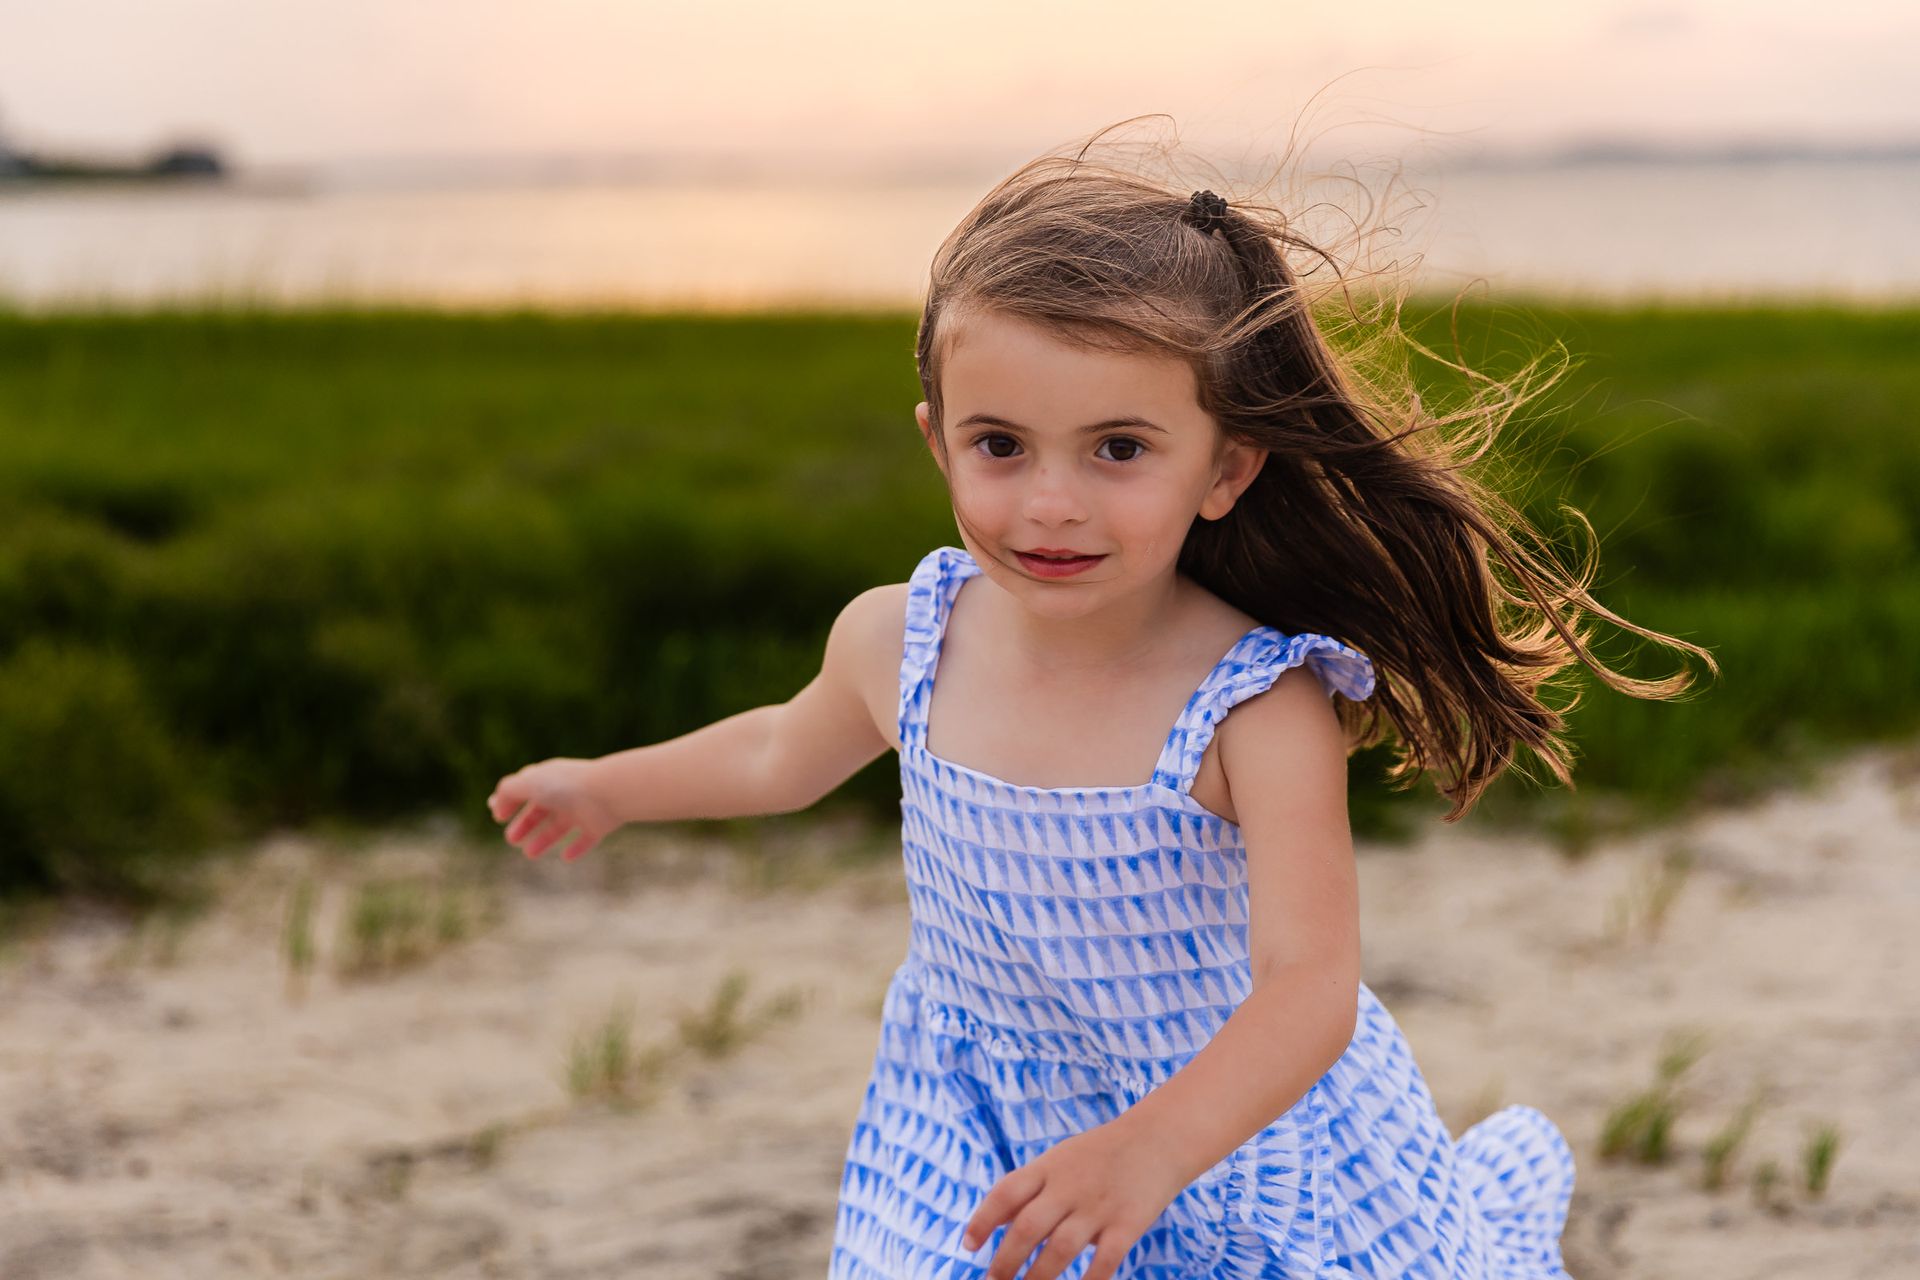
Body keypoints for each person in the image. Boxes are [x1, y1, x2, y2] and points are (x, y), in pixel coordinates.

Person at [488, 131, 1714, 1279]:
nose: (1051, 502)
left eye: (1119, 448)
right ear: (939, 443)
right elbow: (774, 754)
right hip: (969, 1124)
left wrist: (1153, 1147)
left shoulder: (1252, 704)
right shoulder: (903, 638)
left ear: (1225, 467)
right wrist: (607, 784)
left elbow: (1309, 987)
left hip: (1222, 1128)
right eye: (1001, 445)